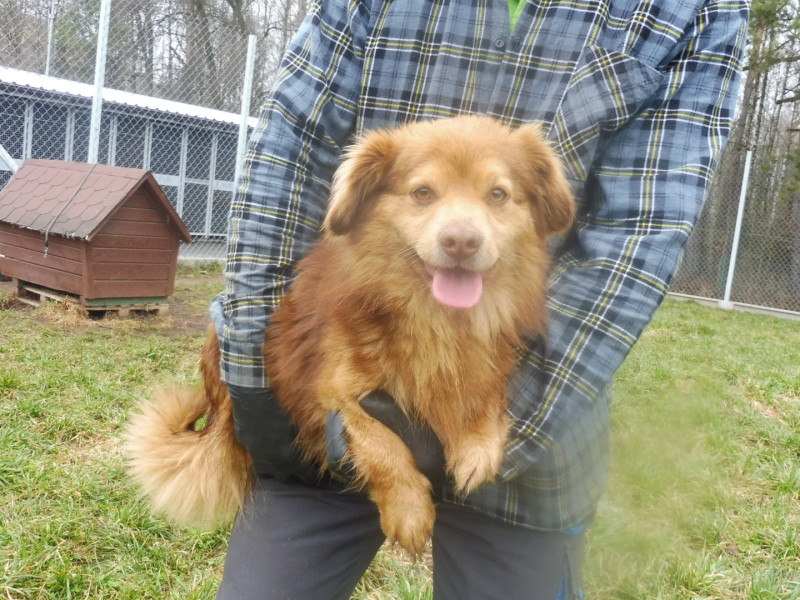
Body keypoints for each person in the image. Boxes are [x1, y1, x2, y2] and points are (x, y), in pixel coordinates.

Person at [208, 1, 750, 598]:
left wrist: (502, 414)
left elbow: (638, 236)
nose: (461, 232)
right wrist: (255, 387)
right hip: (320, 440)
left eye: (497, 195)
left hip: (536, 446)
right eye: (424, 193)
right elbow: (286, 153)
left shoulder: (693, 10)